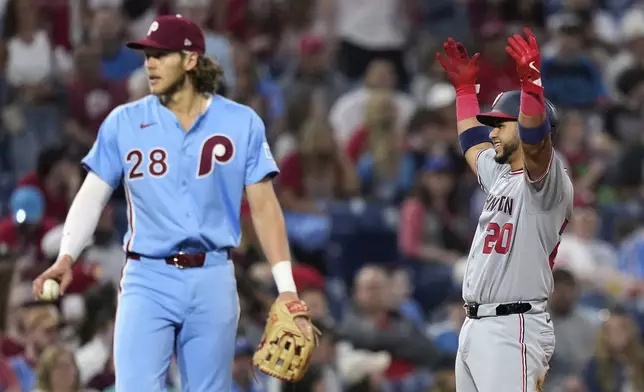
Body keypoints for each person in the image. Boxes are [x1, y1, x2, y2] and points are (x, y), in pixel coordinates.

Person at [32, 14, 314, 392]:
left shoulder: (241, 122)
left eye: (162, 55)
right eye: (147, 55)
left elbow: (264, 208)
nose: (150, 63)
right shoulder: (124, 121)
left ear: (191, 60)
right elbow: (92, 194)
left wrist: (287, 288)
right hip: (147, 276)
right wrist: (66, 256)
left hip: (213, 273)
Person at [436, 28, 574, 392]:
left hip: (514, 325)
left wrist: (532, 86)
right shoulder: (501, 173)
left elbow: (535, 141)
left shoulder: (548, 180)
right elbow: (469, 142)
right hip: (476, 326)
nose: (492, 131)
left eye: (500, 123)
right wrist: (466, 92)